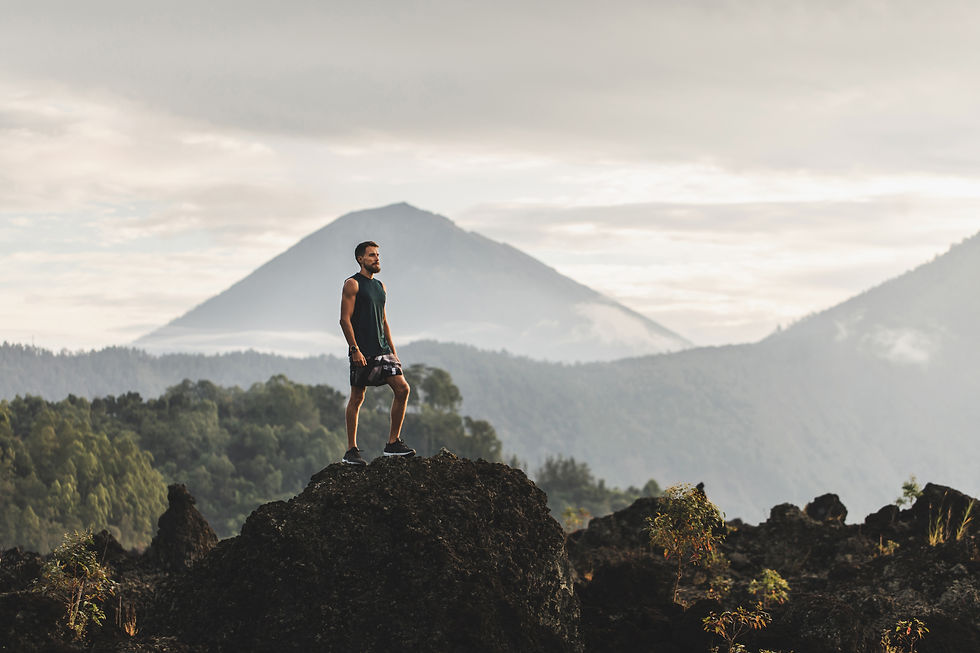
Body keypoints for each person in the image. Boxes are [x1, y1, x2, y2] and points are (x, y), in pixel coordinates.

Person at [338, 240, 415, 465]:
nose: (376, 258)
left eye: (378, 255)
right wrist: (354, 349)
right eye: (371, 255)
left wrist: (393, 350)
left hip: (383, 350)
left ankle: (393, 444)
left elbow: (383, 320)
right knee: (357, 397)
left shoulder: (380, 286)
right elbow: (344, 320)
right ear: (360, 259)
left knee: (403, 389)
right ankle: (351, 451)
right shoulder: (352, 284)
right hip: (363, 351)